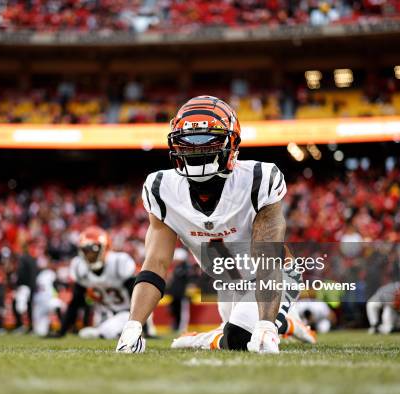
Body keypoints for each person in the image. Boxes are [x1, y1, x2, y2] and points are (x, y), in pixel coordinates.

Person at [116, 95, 311, 354]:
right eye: (188, 142)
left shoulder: (258, 179)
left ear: (232, 143)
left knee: (240, 337)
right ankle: (285, 323)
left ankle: (207, 338)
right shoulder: (161, 189)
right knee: (238, 331)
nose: (198, 149)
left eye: (209, 140)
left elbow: (268, 255)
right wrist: (133, 326)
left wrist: (265, 324)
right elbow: (156, 263)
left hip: (274, 275)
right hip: (228, 283)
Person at [57, 226, 136, 339]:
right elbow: (75, 302)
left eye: (93, 250)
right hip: (104, 314)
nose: (89, 255)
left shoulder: (118, 263)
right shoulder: (80, 268)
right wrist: (61, 331)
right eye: (85, 250)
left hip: (128, 313)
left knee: (106, 330)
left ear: (105, 248)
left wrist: (141, 324)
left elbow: (137, 296)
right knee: (89, 333)